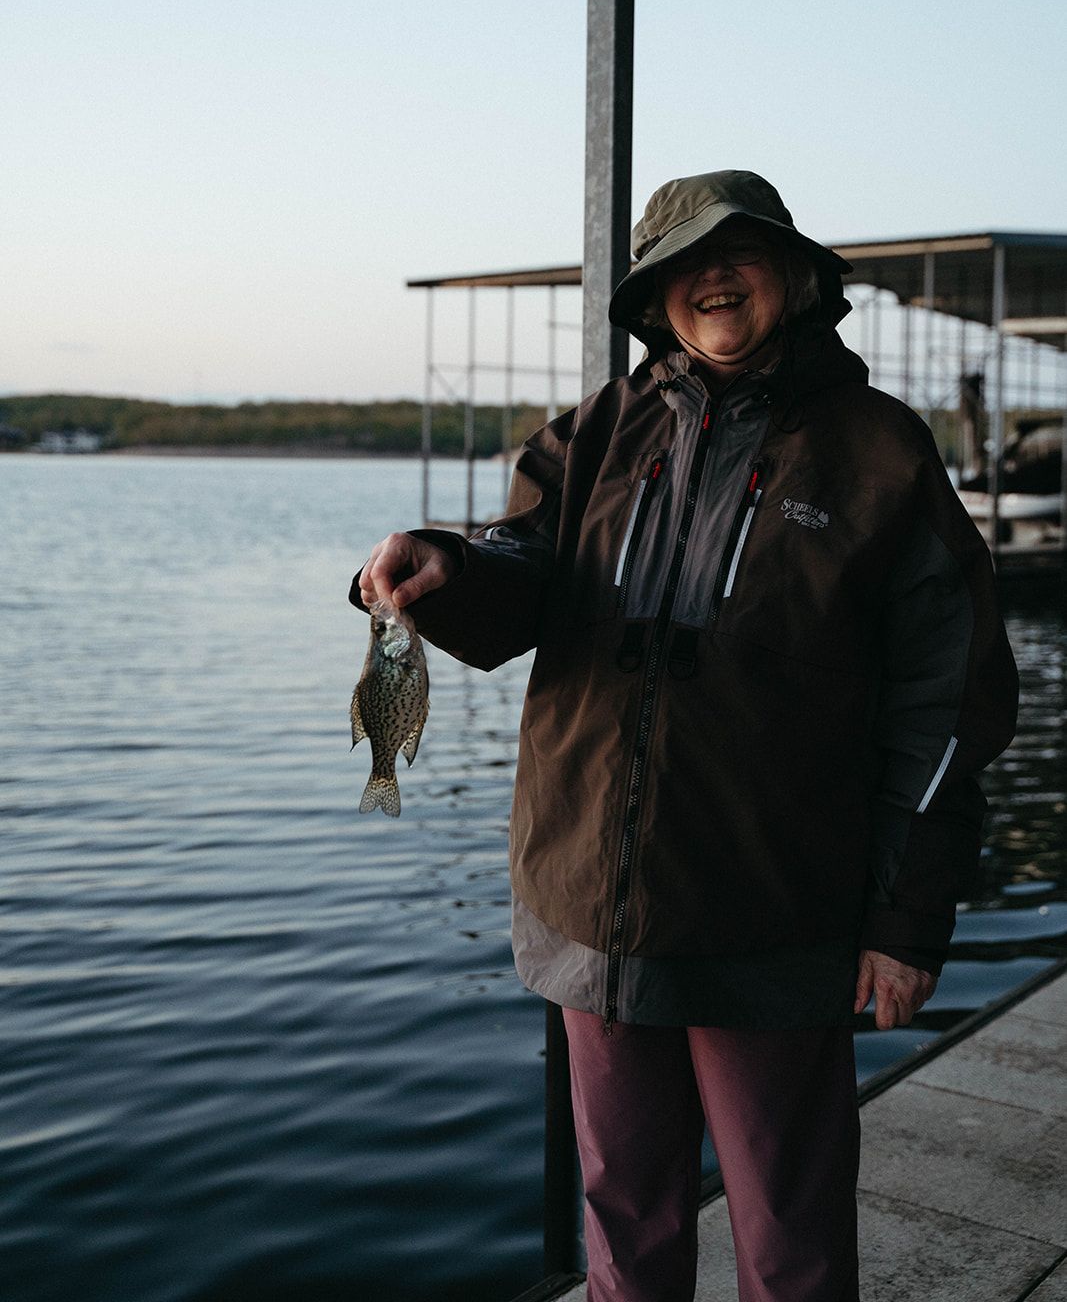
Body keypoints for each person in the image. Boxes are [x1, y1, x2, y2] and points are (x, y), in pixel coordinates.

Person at [354, 170, 1019, 1302]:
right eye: (678, 265)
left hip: (772, 911)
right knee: (622, 1218)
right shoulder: (600, 431)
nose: (709, 278)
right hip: (588, 901)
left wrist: (903, 918)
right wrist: (448, 565)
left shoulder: (879, 451)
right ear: (652, 298)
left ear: (796, 278)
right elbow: (523, 567)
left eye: (738, 253)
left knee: (788, 1230)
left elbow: (947, 702)